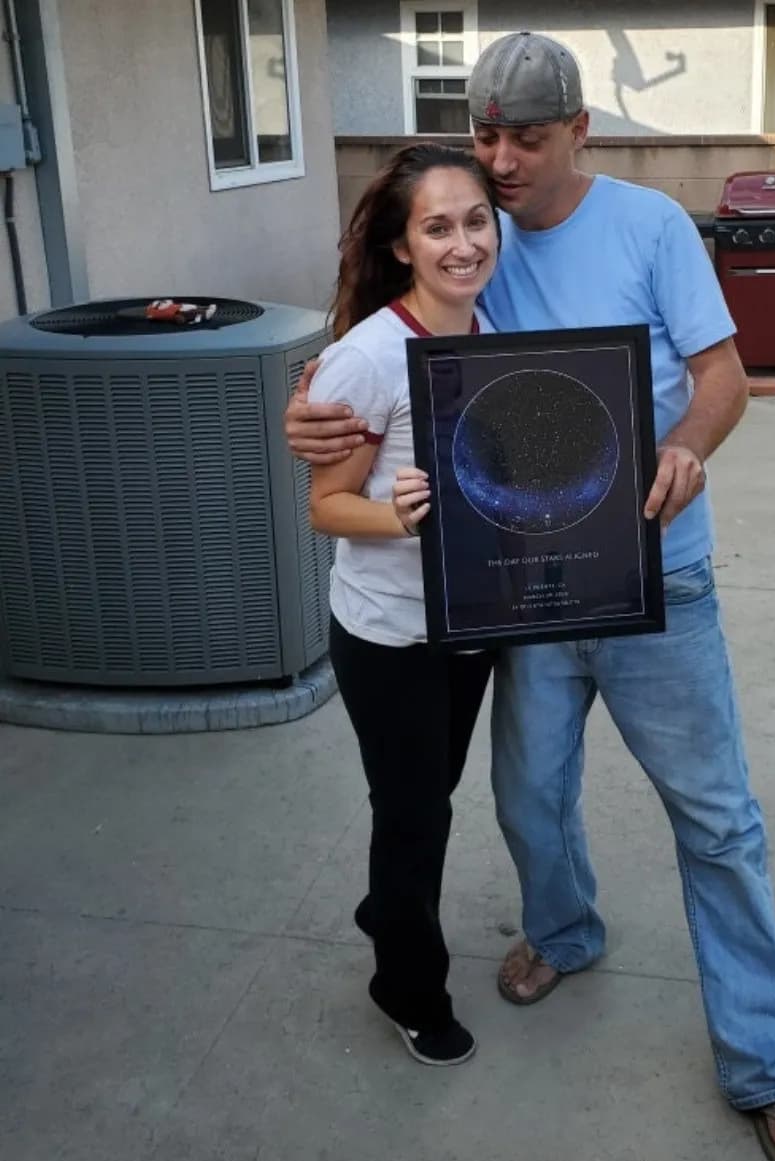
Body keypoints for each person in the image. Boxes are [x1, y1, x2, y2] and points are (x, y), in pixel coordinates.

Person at [287, 34, 775, 1161]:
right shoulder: (470, 245)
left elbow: (724, 376)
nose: (502, 161)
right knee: (529, 794)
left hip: (659, 577)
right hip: (527, 585)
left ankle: (767, 1062)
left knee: (717, 819)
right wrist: (310, 417)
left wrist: (686, 447)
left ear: (582, 130)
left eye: (527, 137)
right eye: (486, 136)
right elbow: (382, 353)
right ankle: (567, 930)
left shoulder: (649, 228)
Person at [307, 143, 500, 1067]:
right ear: (401, 246)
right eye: (437, 226)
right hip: (388, 637)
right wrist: (397, 513)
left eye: (474, 221)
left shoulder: (492, 331)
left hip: (470, 625)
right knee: (415, 813)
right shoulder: (369, 358)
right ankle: (409, 987)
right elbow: (324, 507)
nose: (461, 243)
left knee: (433, 794)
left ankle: (387, 910)